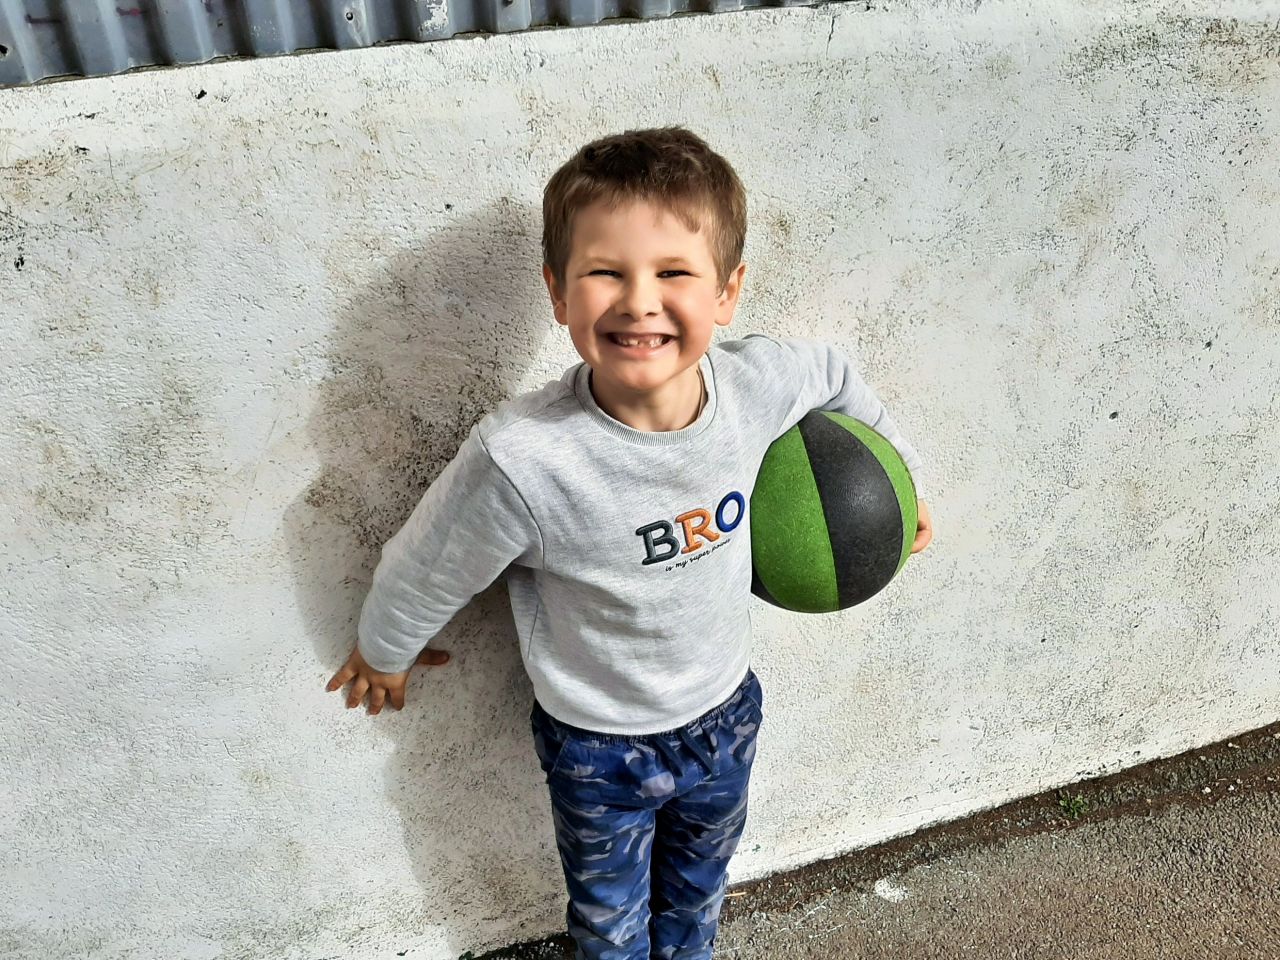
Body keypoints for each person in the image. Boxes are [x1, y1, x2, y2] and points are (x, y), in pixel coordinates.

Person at [326, 126, 934, 959]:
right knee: (609, 927)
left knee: (696, 897)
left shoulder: (756, 387)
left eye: (674, 273)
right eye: (605, 272)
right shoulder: (528, 457)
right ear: (558, 292)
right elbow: (430, 562)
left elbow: (834, 374)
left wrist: (905, 485)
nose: (639, 300)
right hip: (598, 748)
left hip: (725, 714)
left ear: (726, 292)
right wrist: (384, 649)